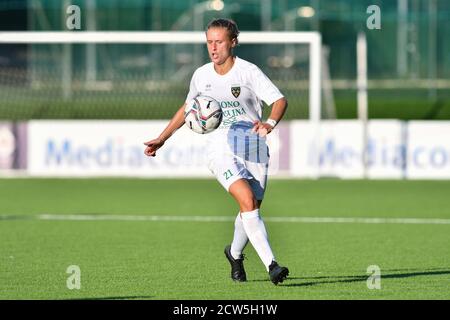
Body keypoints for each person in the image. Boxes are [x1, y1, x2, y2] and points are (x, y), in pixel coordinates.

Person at [144, 18, 289, 285]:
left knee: (252, 207)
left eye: (218, 42)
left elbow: (279, 100)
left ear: (233, 42)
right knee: (246, 200)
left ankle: (234, 254)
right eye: (209, 42)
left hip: (253, 147)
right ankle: (272, 265)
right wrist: (163, 138)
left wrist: (269, 123)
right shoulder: (201, 75)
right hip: (219, 148)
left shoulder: (248, 72)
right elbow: (188, 109)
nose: (213, 47)